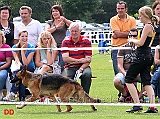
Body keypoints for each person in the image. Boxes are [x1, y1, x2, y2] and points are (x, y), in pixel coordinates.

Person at [125, 6, 159, 113]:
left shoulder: (147, 26)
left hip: (142, 56)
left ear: (145, 16)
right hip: (147, 56)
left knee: (128, 79)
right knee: (146, 82)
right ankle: (152, 106)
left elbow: (140, 43)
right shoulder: (151, 26)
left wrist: (132, 40)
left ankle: (137, 104)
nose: (139, 17)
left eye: (140, 15)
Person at [3, 29, 35, 101]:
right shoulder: (14, 47)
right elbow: (17, 60)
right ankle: (21, 97)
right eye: (22, 36)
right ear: (19, 37)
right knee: (21, 72)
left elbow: (26, 63)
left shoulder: (31, 47)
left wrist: (22, 51)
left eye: (26, 36)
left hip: (29, 68)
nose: (24, 38)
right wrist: (20, 67)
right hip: (19, 68)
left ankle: (13, 93)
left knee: (22, 70)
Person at [61, 22, 92, 94]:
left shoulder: (86, 41)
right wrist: (80, 60)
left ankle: (85, 95)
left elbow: (88, 59)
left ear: (80, 31)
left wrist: (81, 68)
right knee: (66, 77)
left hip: (84, 66)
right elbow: (66, 59)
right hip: (69, 66)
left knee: (87, 74)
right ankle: (69, 95)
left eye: (76, 31)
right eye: (72, 31)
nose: (74, 33)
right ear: (69, 31)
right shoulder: (65, 41)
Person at [114, 28, 142, 102]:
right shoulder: (123, 48)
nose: (132, 38)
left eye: (134, 36)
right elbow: (119, 65)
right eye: (130, 36)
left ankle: (139, 96)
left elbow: (144, 64)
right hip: (126, 71)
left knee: (150, 79)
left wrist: (139, 72)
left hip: (138, 72)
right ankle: (124, 94)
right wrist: (125, 73)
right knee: (116, 81)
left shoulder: (141, 49)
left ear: (138, 36)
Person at [110, 1, 136, 75]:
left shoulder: (132, 19)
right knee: (119, 74)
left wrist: (119, 34)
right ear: (116, 9)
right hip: (116, 48)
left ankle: (132, 87)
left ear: (126, 9)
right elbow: (118, 34)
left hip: (129, 48)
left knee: (132, 72)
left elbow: (134, 34)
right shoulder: (113, 19)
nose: (120, 10)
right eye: (118, 8)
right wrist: (128, 34)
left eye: (122, 8)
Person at [45, 5, 72, 72]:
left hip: (62, 47)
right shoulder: (50, 22)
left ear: (60, 12)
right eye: (53, 11)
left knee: (62, 64)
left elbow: (74, 26)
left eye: (56, 11)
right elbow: (47, 31)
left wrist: (65, 20)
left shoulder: (64, 22)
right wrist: (57, 26)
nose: (54, 13)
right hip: (52, 47)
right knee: (51, 65)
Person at [150, 0, 160, 102]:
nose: (159, 11)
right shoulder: (150, 23)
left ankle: (153, 88)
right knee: (156, 68)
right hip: (152, 49)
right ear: (154, 10)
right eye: (157, 9)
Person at [0, 30, 12, 100]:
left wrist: (1, 68)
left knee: (1, 76)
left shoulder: (7, 47)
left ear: (2, 37)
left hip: (3, 67)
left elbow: (8, 62)